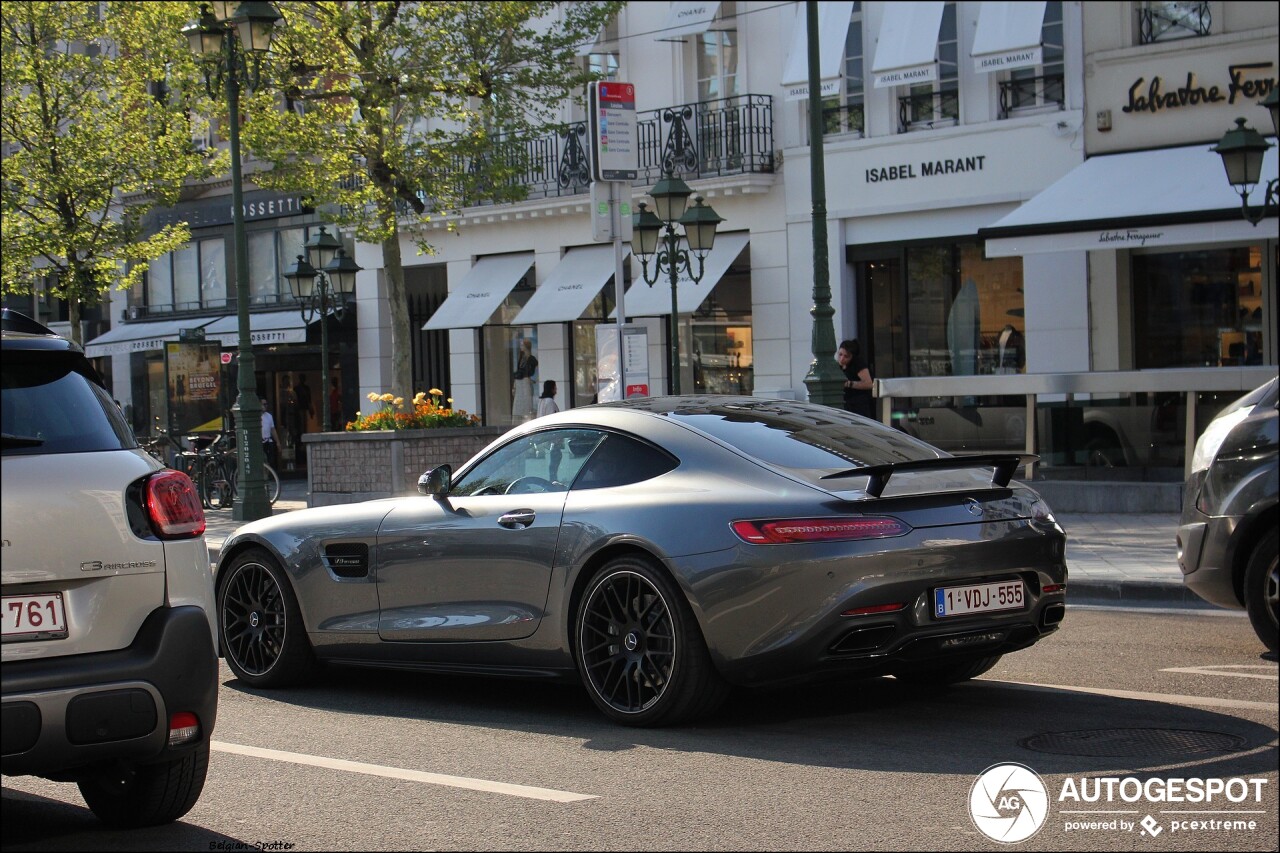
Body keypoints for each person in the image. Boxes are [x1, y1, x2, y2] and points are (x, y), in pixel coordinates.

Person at [837, 339, 875, 419]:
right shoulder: (838, 366)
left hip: (858, 405)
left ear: (852, 356)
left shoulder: (858, 364)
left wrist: (849, 383)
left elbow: (868, 384)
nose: (842, 359)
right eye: (840, 354)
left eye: (846, 356)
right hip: (845, 403)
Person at [511, 338, 537, 424]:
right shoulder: (521, 358)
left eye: (522, 345)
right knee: (517, 407)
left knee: (526, 406)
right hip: (519, 384)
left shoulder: (532, 359)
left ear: (526, 346)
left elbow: (532, 373)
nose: (521, 346)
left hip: (525, 383)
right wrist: (514, 386)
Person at [261, 399, 281, 469]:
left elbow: (273, 429)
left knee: (269, 460)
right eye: (263, 404)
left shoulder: (269, 416)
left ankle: (267, 475)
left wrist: (278, 442)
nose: (265, 406)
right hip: (259, 441)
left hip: (268, 440)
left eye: (266, 404)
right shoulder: (256, 416)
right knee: (262, 459)